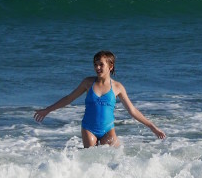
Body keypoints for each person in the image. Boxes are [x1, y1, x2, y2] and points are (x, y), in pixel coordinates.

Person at [34, 51, 166, 148]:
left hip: (108, 130)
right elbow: (69, 98)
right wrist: (47, 110)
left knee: (116, 162)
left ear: (110, 66)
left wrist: (152, 127)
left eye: (101, 64)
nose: (97, 68)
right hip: (88, 128)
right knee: (91, 162)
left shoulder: (117, 87)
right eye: (95, 64)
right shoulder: (87, 83)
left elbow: (132, 110)